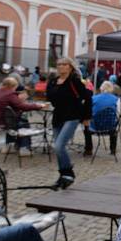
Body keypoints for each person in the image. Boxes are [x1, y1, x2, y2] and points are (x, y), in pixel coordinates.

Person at [45, 57, 92, 188]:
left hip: (72, 116)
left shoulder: (74, 81)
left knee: (59, 146)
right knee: (59, 148)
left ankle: (68, 172)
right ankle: (63, 176)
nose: (60, 67)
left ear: (70, 67)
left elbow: (88, 97)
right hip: (58, 116)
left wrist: (87, 117)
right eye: (58, 64)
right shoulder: (53, 81)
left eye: (64, 64)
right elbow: (49, 96)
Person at [0, 77, 45, 157]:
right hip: (3, 122)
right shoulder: (10, 94)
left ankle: (9, 146)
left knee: (13, 121)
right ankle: (24, 148)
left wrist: (17, 99)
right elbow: (22, 107)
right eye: (15, 87)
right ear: (13, 86)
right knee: (23, 122)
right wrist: (37, 106)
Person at [87, 81, 121, 155]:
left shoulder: (93, 98)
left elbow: (89, 113)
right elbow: (118, 114)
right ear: (111, 89)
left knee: (86, 127)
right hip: (110, 127)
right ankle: (113, 150)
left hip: (95, 126)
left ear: (101, 89)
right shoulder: (116, 99)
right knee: (114, 125)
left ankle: (88, 149)